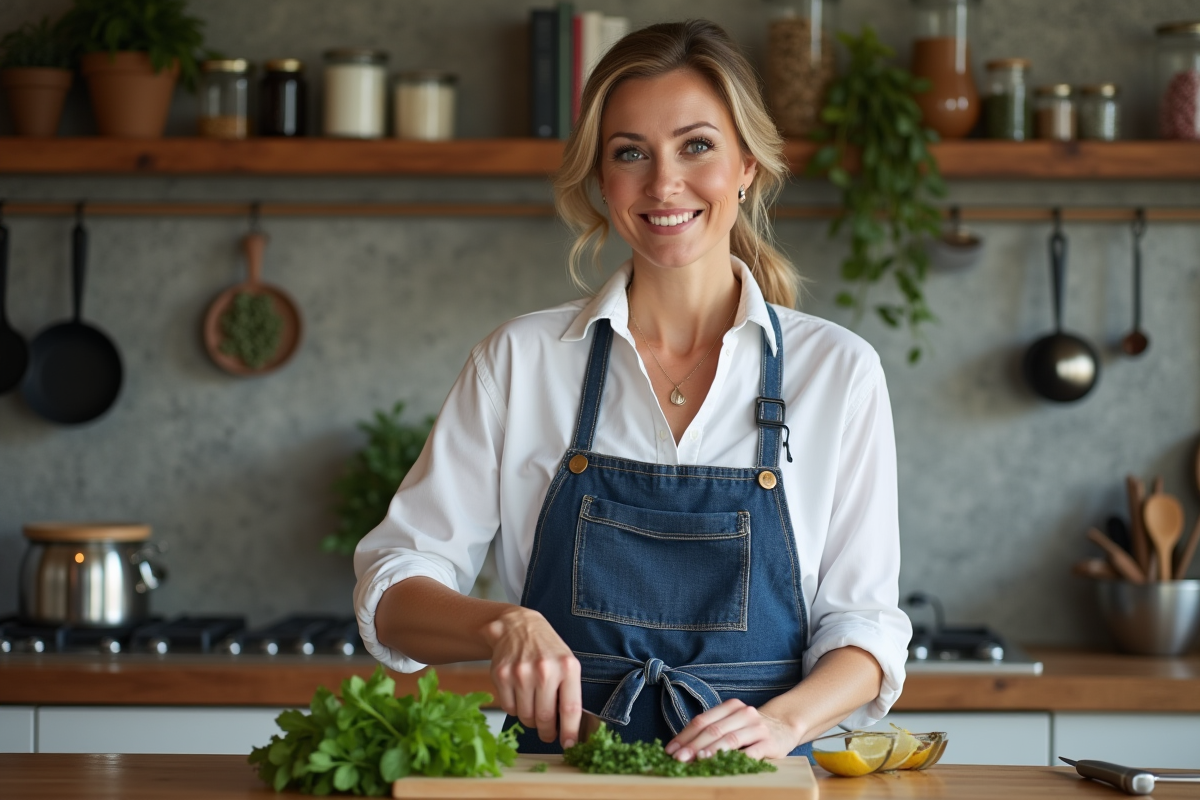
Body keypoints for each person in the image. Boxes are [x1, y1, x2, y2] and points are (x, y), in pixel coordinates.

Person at [354, 19, 910, 762]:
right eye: (630, 154)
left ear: (747, 163)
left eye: (697, 146)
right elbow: (393, 588)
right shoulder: (521, 361)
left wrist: (783, 723)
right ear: (601, 179)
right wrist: (501, 626)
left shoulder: (837, 371)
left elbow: (865, 628)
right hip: (558, 776)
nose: (663, 183)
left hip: (757, 781)